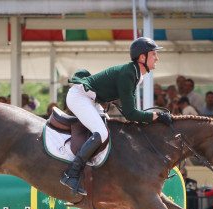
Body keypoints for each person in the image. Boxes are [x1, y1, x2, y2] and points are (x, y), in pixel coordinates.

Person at [60, 37, 172, 195]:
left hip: (92, 99)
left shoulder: (135, 73)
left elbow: (129, 110)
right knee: (102, 132)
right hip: (80, 97)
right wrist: (157, 117)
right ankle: (71, 173)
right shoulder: (129, 73)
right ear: (142, 57)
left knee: (108, 129)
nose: (157, 58)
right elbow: (130, 114)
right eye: (154, 54)